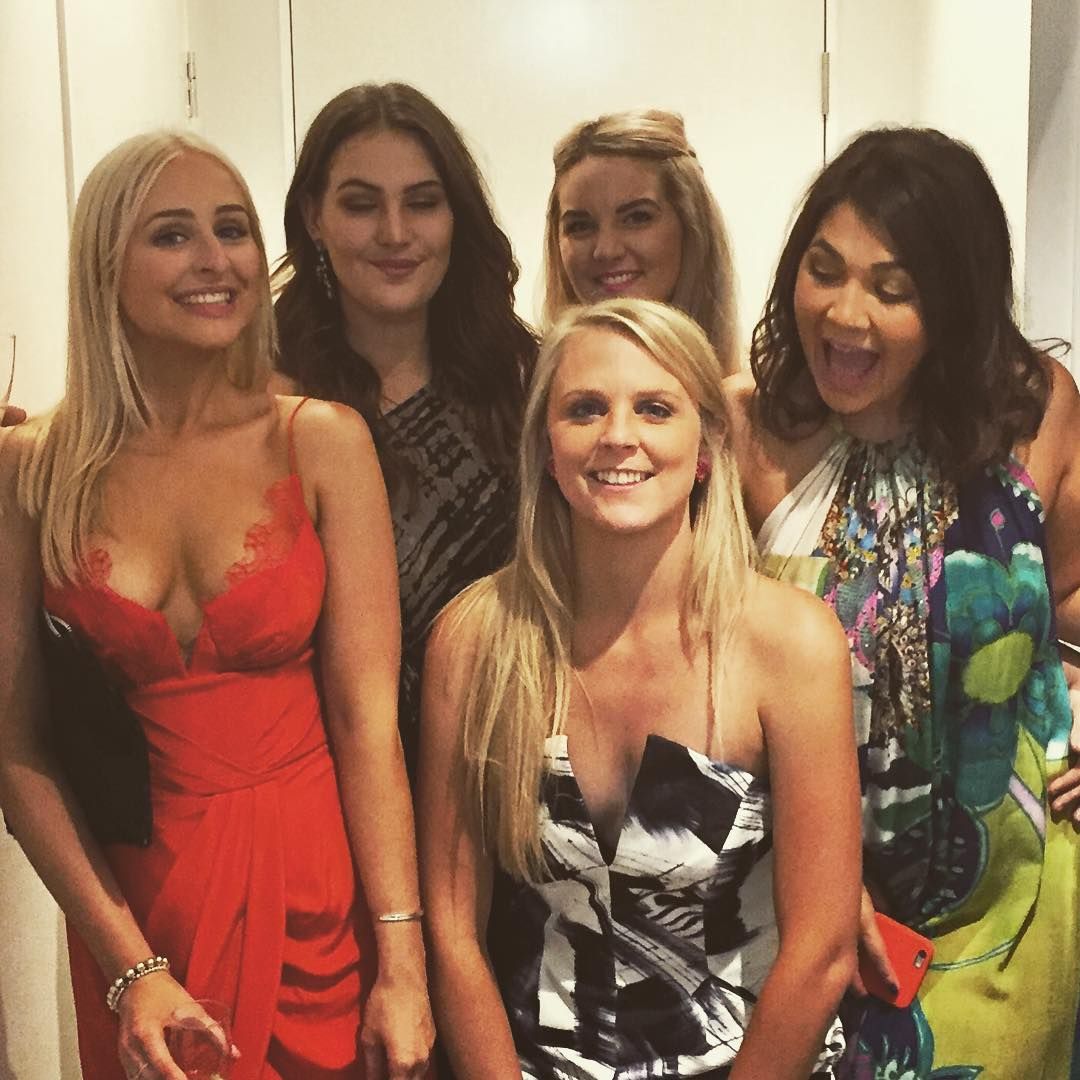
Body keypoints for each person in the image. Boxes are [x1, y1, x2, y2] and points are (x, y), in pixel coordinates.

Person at [0, 131, 432, 1080]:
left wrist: (403, 961)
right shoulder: (32, 468)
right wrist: (130, 966)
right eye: (172, 235)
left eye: (232, 230)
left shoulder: (322, 441)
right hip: (134, 911)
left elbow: (366, 723)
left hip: (317, 896)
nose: (215, 260)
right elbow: (15, 744)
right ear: (104, 265)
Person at [419, 298, 861, 1079]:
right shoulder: (476, 639)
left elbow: (822, 951)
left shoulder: (792, 643)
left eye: (654, 408)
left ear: (706, 448)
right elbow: (454, 932)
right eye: (585, 409)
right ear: (546, 447)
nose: (618, 435)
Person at [727, 126, 1080, 1078]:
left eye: (893, 289)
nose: (846, 315)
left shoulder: (1034, 407)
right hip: (802, 916)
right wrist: (817, 870)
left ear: (954, 303)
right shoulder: (746, 428)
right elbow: (701, 671)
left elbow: (1071, 593)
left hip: (1012, 913)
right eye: (824, 271)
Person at [273, 83, 537, 777]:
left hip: (505, 773)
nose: (394, 232)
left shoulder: (523, 380)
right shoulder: (266, 400)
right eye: (361, 204)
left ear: (456, 216)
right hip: (326, 781)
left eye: (422, 202)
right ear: (314, 217)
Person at [542, 109, 739, 375]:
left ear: (691, 225)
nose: (606, 250)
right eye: (580, 226)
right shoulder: (522, 389)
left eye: (637, 218)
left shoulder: (757, 397)